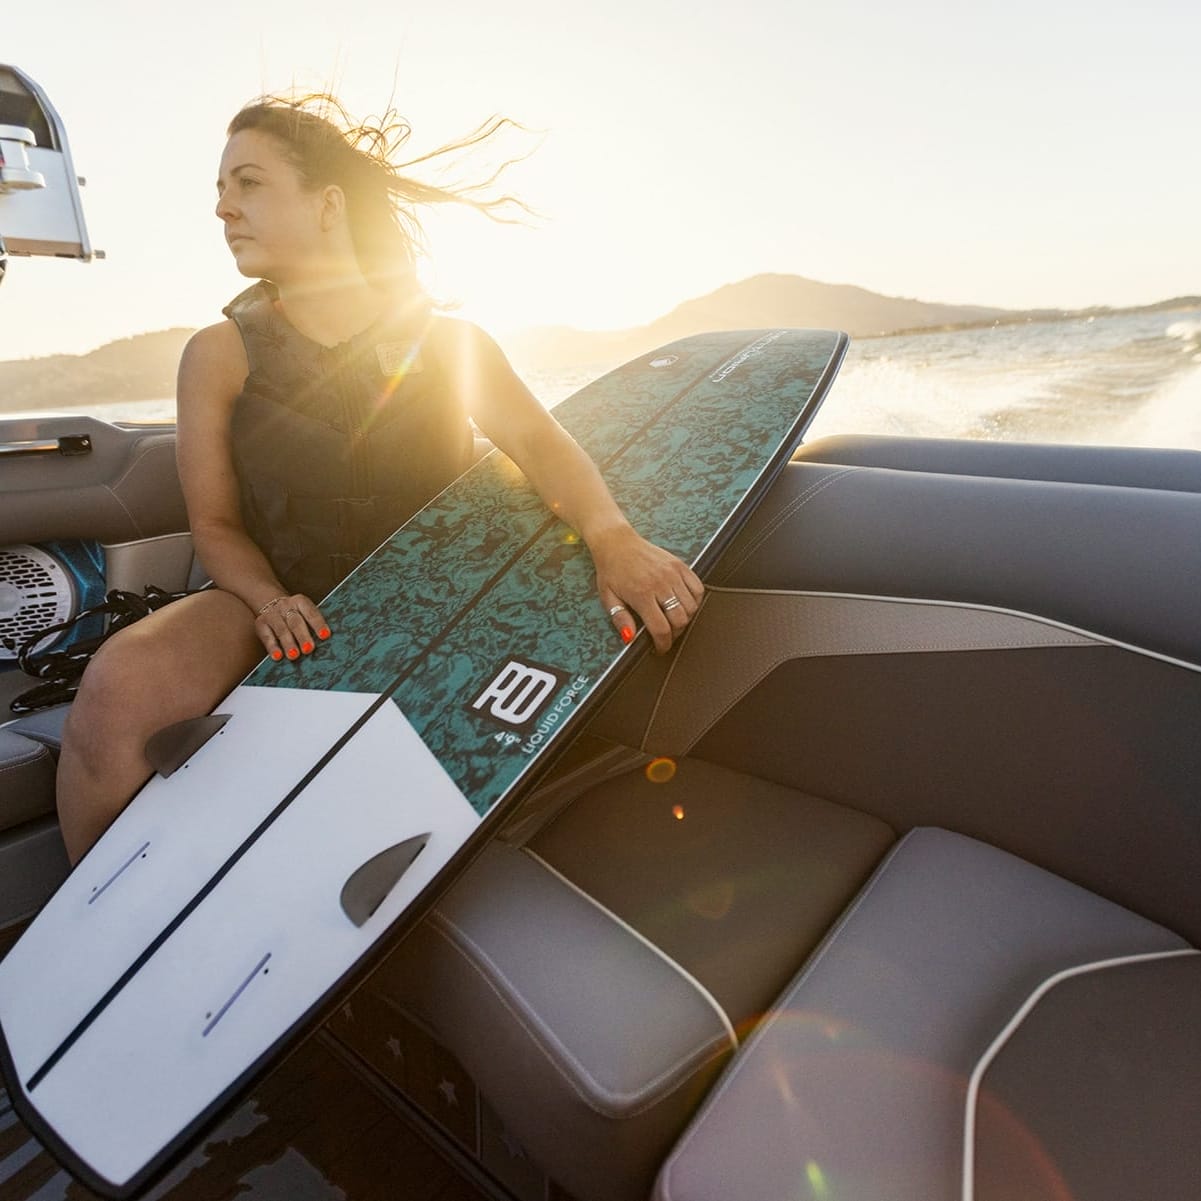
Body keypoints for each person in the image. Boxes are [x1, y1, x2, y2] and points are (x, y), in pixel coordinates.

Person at [55, 93, 702, 864]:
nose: (224, 209)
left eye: (249, 183)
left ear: (328, 204)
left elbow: (538, 442)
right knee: (119, 683)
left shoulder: (446, 340)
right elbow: (217, 526)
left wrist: (613, 539)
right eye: (220, 192)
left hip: (435, 600)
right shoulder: (219, 352)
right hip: (280, 600)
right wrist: (270, 602)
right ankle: (100, 935)